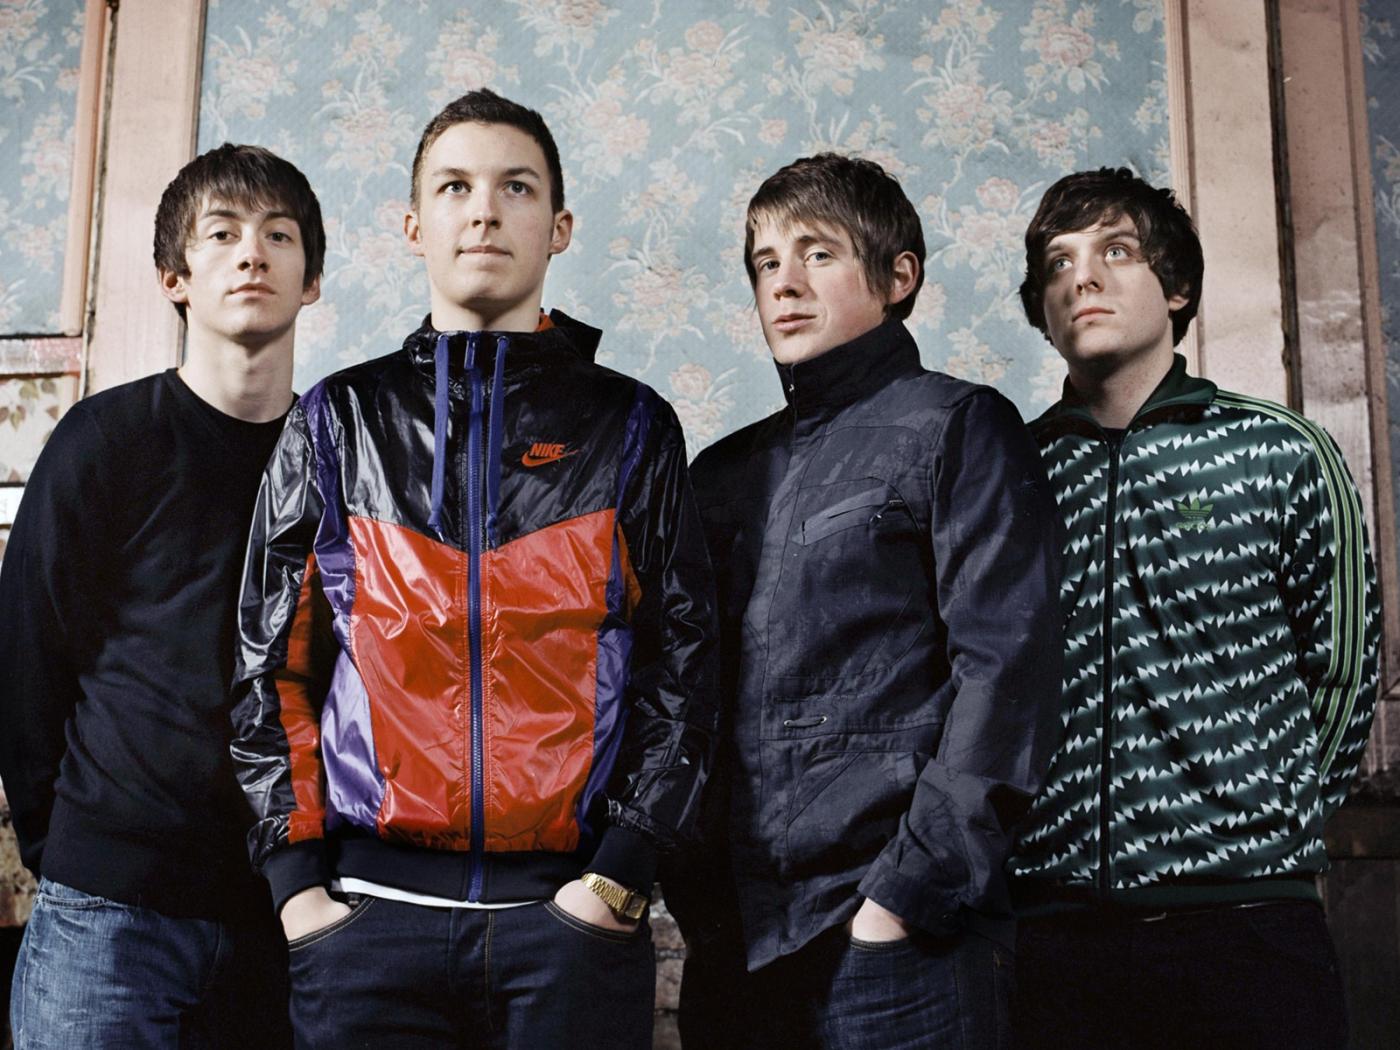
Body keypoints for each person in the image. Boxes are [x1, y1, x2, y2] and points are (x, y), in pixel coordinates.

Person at [229, 88, 717, 1050]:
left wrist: (620, 874)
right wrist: (297, 891)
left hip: (569, 930)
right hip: (367, 931)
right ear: (415, 225)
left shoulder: (631, 425)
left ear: (559, 227)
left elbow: (685, 662)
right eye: (454, 187)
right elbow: (267, 663)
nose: (484, 210)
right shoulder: (337, 420)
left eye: (516, 187)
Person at [666, 152, 1064, 1049]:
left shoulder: (960, 426)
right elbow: (682, 692)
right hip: (736, 950)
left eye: (818, 253)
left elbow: (1007, 675)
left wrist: (905, 899)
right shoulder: (721, 473)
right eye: (766, 262)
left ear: (898, 276)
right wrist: (697, 898)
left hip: (896, 940)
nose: (784, 283)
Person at [1009, 166, 1380, 1050]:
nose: (1082, 279)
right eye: (1057, 264)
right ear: (1042, 311)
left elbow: (1345, 667)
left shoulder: (1280, 451)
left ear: (1176, 289)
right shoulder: (1009, 474)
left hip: (1248, 927)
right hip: (1052, 930)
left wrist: (1264, 824)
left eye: (1115, 252)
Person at [0, 143, 323, 1048]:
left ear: (311, 282)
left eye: (278, 234)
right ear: (174, 279)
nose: (252, 252)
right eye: (222, 234)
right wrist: (71, 851)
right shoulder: (105, 440)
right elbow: (25, 658)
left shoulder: (339, 459)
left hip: (282, 913)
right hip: (110, 913)